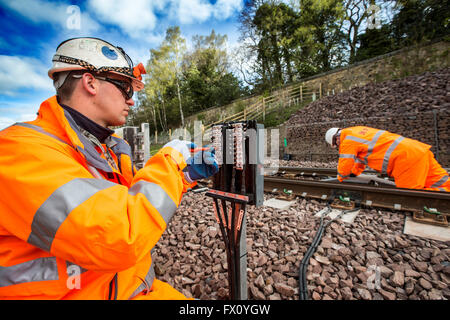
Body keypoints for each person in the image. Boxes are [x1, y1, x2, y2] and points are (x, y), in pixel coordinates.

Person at [0, 37, 218, 299]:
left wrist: (183, 176)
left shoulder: (101, 147)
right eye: (126, 88)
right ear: (90, 82)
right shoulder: (20, 151)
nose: (131, 101)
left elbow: (126, 203)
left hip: (125, 285)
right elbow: (119, 235)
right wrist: (171, 160)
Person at [325, 126, 449, 192]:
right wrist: (354, 173)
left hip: (405, 160)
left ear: (336, 140)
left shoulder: (347, 141)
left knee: (412, 195)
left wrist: (341, 178)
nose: (338, 147)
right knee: (443, 182)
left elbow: (346, 162)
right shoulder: (356, 131)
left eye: (337, 146)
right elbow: (359, 160)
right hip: (417, 150)